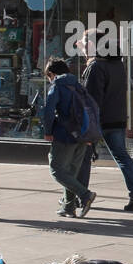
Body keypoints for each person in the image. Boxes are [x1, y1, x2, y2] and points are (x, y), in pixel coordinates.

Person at [75, 30, 133, 211]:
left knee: (83, 158)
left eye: (84, 45)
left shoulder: (96, 67)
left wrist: (87, 124)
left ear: (92, 45)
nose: (83, 49)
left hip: (99, 120)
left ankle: (81, 196)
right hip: (117, 118)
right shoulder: (117, 64)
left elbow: (92, 100)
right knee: (122, 156)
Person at [41, 59, 97, 218]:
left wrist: (48, 131)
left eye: (48, 76)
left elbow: (49, 111)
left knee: (56, 170)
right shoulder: (78, 85)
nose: (49, 79)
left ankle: (85, 194)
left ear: (51, 73)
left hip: (65, 135)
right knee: (71, 172)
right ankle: (68, 207)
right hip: (83, 136)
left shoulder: (57, 86)